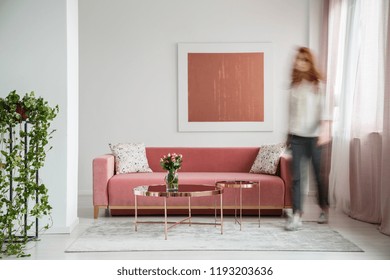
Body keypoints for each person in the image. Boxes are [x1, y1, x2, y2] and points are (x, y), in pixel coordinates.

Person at [285, 47, 331, 231]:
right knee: (297, 178)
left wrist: (325, 130)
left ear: (309, 62)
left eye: (305, 59)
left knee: (318, 177)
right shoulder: (293, 87)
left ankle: (323, 208)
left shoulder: (318, 85)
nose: (301, 62)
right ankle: (297, 215)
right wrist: (288, 136)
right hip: (296, 137)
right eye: (298, 59)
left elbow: (325, 110)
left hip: (314, 138)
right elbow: (291, 114)